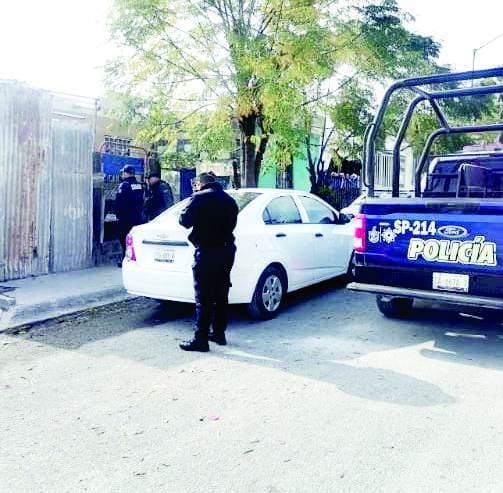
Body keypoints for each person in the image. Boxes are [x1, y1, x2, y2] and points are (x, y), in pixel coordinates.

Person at [178, 172, 239, 352]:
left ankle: (201, 339)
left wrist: (192, 200)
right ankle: (219, 334)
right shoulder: (229, 200)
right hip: (227, 251)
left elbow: (184, 221)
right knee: (221, 293)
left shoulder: (198, 198)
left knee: (203, 296)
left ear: (200, 183)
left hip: (206, 251)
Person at [115, 165, 144, 267]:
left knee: (124, 238)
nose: (122, 175)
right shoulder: (139, 185)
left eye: (123, 173)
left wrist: (117, 214)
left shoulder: (124, 185)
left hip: (125, 217)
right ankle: (135, 259)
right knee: (134, 238)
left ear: (127, 173)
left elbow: (119, 202)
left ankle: (126, 259)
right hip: (137, 217)